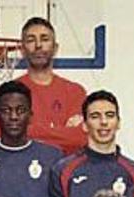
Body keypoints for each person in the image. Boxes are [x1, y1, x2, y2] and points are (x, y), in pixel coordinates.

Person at [11, 16, 88, 153]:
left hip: (64, 171)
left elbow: (80, 138)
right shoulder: (10, 92)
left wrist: (26, 130)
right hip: (21, 171)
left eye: (45, 39)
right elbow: (1, 135)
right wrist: (61, 131)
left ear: (55, 48)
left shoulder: (75, 92)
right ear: (22, 49)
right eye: (31, 40)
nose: (38, 45)